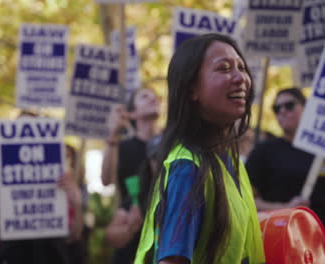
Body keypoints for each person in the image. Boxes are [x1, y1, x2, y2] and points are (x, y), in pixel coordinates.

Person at [135, 33, 265, 264]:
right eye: (224, 68)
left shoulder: (229, 163)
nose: (240, 78)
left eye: (241, 67)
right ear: (191, 90)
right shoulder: (187, 168)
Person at [246, 88, 325, 223]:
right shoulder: (264, 151)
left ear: (306, 108)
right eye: (276, 108)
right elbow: (247, 199)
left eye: (289, 105)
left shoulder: (320, 148)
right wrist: (286, 208)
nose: (282, 111)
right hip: (284, 235)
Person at [105, 134, 161, 264]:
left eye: (165, 157)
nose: (161, 163)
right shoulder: (138, 194)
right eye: (156, 158)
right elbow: (110, 236)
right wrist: (130, 228)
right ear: (149, 163)